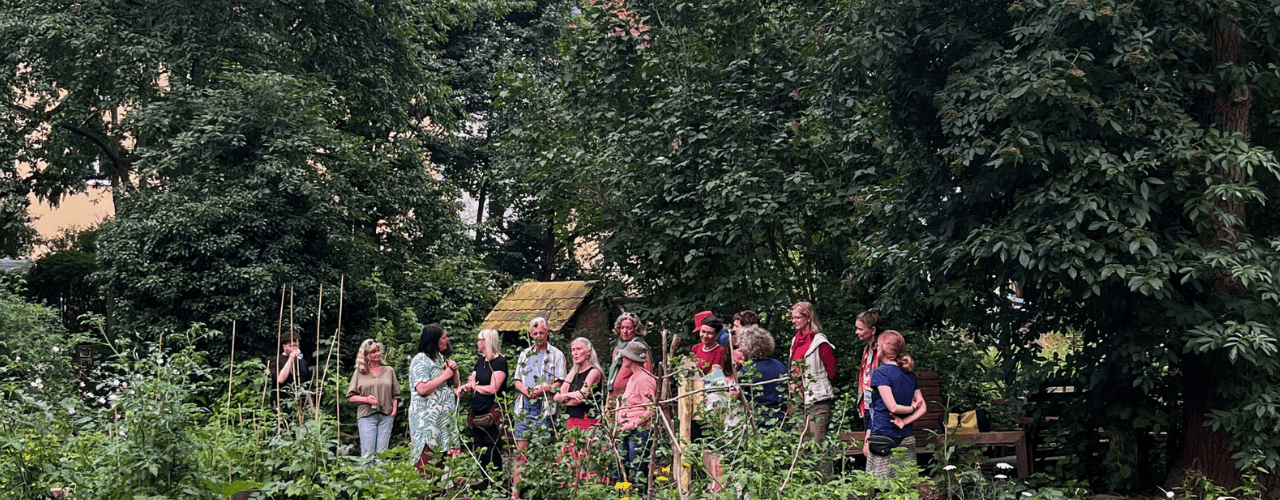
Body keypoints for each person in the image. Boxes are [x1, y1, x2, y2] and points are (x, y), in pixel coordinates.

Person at [512, 317, 567, 497]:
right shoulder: (524, 354)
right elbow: (517, 380)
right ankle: (515, 495)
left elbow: (560, 382)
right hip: (525, 406)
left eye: (541, 333)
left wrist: (544, 388)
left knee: (543, 453)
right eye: (535, 333)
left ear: (548, 333)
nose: (538, 336)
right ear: (530, 334)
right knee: (521, 454)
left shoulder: (557, 355)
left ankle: (543, 493)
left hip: (544, 407)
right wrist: (526, 390)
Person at [862, 330, 926, 478]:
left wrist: (910, 408)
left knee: (879, 486)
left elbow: (892, 407)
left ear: (882, 348)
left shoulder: (881, 373)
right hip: (906, 437)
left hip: (884, 438)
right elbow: (923, 407)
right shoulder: (909, 375)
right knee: (906, 485)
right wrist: (905, 421)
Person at [788, 301, 837, 477]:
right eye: (792, 318)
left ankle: (826, 485)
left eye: (797, 317)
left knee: (818, 444)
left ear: (808, 318)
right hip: (799, 400)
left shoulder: (819, 341)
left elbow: (832, 371)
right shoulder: (795, 341)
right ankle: (807, 484)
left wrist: (817, 384)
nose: (793, 321)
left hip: (817, 399)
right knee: (803, 444)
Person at [456, 329, 507, 490]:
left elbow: (493, 388)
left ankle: (496, 485)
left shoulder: (500, 362)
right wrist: (464, 388)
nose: (477, 342)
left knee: (492, 448)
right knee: (480, 448)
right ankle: (485, 482)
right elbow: (472, 382)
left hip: (491, 411)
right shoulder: (480, 361)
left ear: (486, 341)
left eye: (479, 339)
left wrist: (475, 386)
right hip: (477, 410)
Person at [408, 324, 461, 474]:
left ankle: (435, 496)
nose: (447, 340)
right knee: (426, 465)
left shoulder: (441, 358)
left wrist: (454, 371)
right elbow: (422, 389)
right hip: (427, 423)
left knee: (439, 468)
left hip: (443, 423)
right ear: (434, 340)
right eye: (444, 337)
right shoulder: (420, 360)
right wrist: (444, 376)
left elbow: (455, 385)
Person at [553, 337, 605, 480]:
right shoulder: (573, 373)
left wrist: (567, 399)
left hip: (587, 423)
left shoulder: (594, 372)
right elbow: (557, 397)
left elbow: (581, 397)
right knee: (569, 463)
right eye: (573, 350)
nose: (575, 353)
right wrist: (571, 395)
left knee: (587, 462)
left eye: (579, 349)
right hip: (572, 423)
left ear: (588, 352)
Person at [346, 339, 401, 459]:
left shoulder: (389, 371)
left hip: (386, 416)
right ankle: (366, 478)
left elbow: (395, 394)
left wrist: (393, 412)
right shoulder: (360, 373)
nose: (377, 354)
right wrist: (366, 399)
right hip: (366, 416)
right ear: (366, 355)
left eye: (378, 351)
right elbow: (350, 397)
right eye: (373, 352)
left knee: (381, 455)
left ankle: (380, 478)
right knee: (367, 454)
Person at [614, 341, 656, 491]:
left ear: (631, 359)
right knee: (620, 469)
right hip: (627, 429)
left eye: (625, 356)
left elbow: (651, 409)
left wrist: (634, 424)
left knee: (638, 472)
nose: (622, 358)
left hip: (638, 432)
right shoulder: (632, 377)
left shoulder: (644, 379)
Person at [734, 325, 787, 430]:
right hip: (781, 419)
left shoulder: (749, 370)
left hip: (760, 423)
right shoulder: (778, 365)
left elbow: (737, 394)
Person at [267, 329, 312, 419]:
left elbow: (307, 387)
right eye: (292, 346)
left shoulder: (303, 362)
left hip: (300, 407)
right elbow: (280, 379)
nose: (294, 349)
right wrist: (291, 359)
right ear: (285, 347)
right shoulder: (276, 361)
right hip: (282, 407)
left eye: (296, 346)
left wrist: (312, 407)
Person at [607, 312, 650, 397]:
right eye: (622, 328)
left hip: (631, 398)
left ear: (636, 329)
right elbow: (614, 374)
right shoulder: (617, 349)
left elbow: (647, 374)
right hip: (615, 397)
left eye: (628, 328)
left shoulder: (640, 348)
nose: (625, 331)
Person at [854, 308, 885, 418]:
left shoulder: (884, 350)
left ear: (872, 330)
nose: (856, 332)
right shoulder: (867, 349)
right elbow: (863, 376)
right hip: (867, 404)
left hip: (880, 405)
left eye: (860, 329)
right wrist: (860, 401)